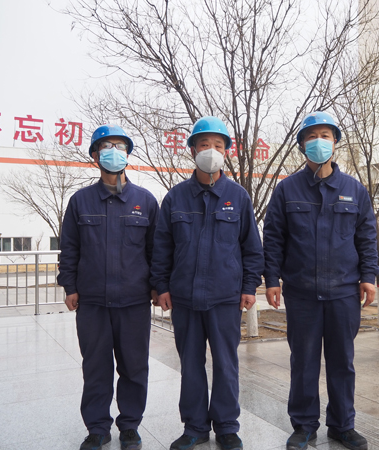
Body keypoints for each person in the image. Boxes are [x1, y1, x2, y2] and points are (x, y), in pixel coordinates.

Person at [263, 111, 379, 450]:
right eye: (311, 137)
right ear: (302, 145)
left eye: (325, 136)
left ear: (335, 142)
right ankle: (303, 426)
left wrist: (368, 276)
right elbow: (273, 237)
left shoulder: (354, 190)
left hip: (344, 292)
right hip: (301, 293)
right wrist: (271, 279)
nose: (319, 142)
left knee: (342, 362)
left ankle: (343, 425)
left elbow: (366, 237)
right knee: (303, 362)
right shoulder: (286, 190)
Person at [151, 116, 264, 450]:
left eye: (218, 145)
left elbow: (251, 248)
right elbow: (162, 247)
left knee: (226, 365)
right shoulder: (175, 198)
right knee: (190, 365)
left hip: (225, 297)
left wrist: (249, 287)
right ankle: (195, 426)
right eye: (204, 144)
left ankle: (227, 427)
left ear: (226, 151)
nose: (211, 150)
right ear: (193, 150)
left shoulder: (238, 197)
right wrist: (161, 286)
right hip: (184, 298)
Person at [58, 124, 159, 450]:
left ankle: (129, 426)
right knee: (96, 368)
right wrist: (69, 285)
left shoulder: (145, 201)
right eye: (106, 146)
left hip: (133, 302)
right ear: (94, 155)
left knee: (134, 367)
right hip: (93, 303)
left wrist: (157, 286)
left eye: (120, 146)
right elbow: (69, 248)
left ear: (128, 155)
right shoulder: (80, 201)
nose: (114, 152)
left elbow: (156, 251)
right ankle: (97, 428)